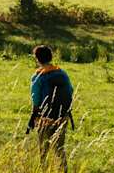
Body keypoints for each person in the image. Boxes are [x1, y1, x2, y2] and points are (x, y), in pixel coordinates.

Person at [27, 44, 75, 172]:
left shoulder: (37, 77)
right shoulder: (62, 73)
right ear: (51, 57)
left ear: (37, 59)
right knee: (59, 148)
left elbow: (35, 99)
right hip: (62, 116)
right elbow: (71, 90)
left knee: (43, 148)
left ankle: (44, 170)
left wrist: (34, 115)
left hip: (45, 117)